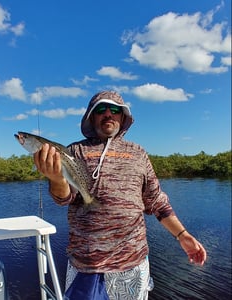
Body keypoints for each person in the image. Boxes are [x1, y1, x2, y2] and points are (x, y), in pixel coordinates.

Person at [33, 91, 207, 300]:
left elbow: (157, 202)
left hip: (132, 264)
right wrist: (56, 179)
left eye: (114, 110)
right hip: (87, 266)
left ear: (123, 117)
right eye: (100, 110)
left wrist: (183, 235)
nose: (108, 114)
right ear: (91, 116)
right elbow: (63, 198)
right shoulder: (74, 151)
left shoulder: (138, 153)